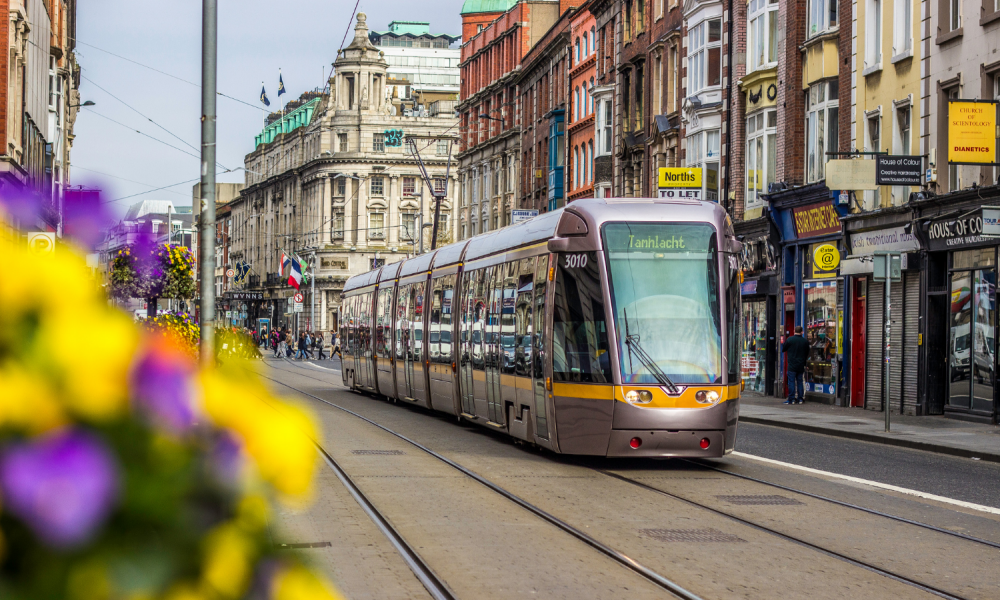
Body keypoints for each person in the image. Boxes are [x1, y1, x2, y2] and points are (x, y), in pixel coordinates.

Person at [781, 326, 810, 405]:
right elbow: (807, 353)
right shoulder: (805, 341)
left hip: (792, 365)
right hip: (801, 364)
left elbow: (783, 349)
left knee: (791, 382)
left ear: (794, 331)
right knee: (800, 381)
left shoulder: (790, 340)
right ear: (802, 332)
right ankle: (800, 399)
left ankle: (791, 399)